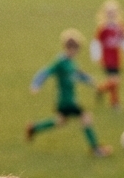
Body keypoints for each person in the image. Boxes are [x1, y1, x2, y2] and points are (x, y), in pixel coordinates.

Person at [26, 29, 113, 157]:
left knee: (60, 121)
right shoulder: (60, 61)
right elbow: (45, 71)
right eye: (75, 49)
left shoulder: (71, 62)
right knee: (86, 118)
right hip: (66, 100)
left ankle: (34, 128)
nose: (76, 52)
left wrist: (91, 81)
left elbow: (78, 74)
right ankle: (96, 149)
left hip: (68, 100)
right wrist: (36, 84)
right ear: (69, 48)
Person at [92, 0, 124, 110]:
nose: (111, 15)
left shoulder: (120, 27)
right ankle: (114, 102)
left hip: (117, 57)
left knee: (115, 82)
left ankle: (101, 90)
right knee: (115, 80)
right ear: (105, 14)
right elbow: (96, 42)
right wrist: (96, 55)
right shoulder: (103, 28)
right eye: (109, 13)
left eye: (113, 12)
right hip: (107, 58)